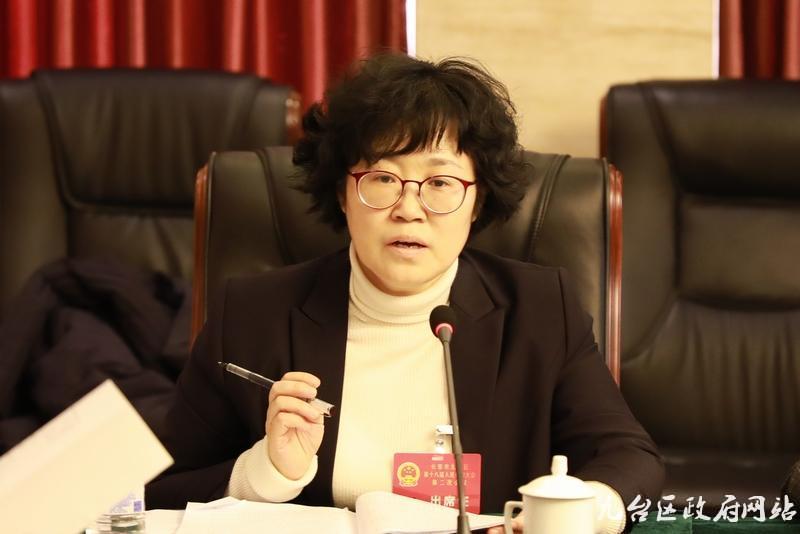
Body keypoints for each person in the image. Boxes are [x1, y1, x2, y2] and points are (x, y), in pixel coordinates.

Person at [147, 53, 664, 533]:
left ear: (478, 200)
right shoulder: (253, 313)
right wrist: (267, 471)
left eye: (440, 183)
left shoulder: (540, 308)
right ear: (343, 193)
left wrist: (571, 514)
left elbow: (629, 459)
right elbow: (159, 492)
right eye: (383, 178)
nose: (409, 209)